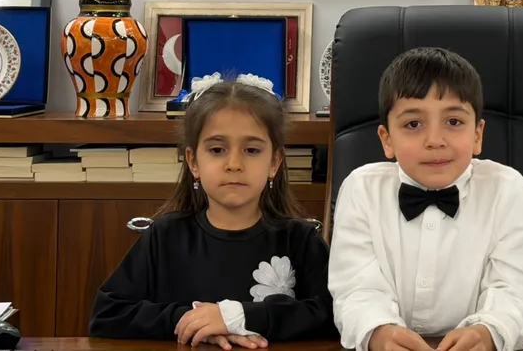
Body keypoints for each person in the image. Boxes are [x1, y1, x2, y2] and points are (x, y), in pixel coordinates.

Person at [88, 74, 337, 348]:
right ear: (193, 161)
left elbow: (336, 314)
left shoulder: (300, 239)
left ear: (274, 162)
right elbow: (108, 314)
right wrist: (194, 322)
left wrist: (243, 318)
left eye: (252, 150)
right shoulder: (164, 237)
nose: (234, 164)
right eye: (217, 150)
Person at [328, 47, 523, 351]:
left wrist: (489, 332)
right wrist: (379, 332)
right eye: (413, 124)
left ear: (478, 134)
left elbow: (515, 289)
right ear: (387, 140)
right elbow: (356, 286)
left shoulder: (508, 189)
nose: (435, 141)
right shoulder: (360, 189)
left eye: (453, 122)